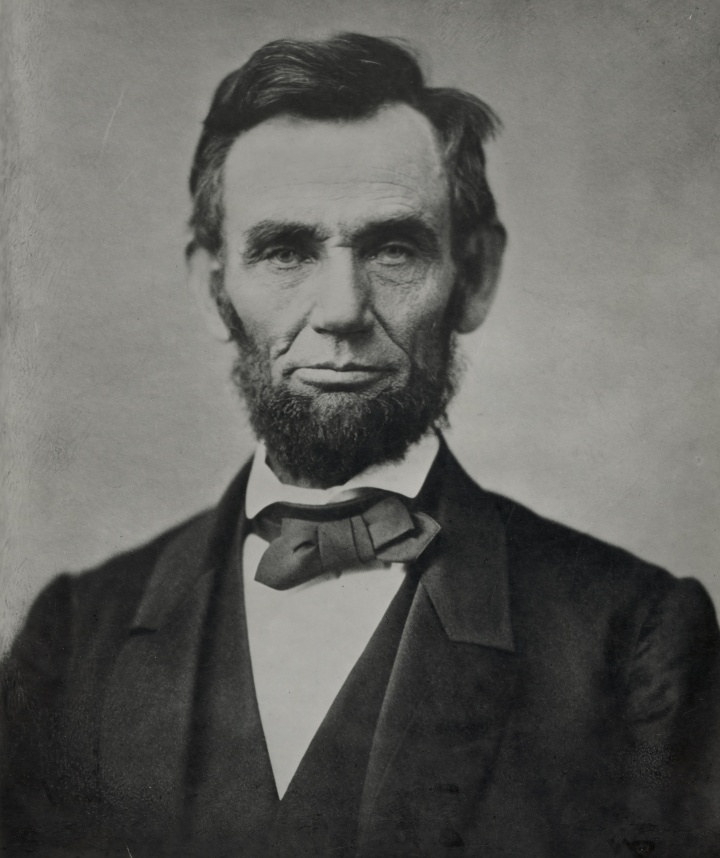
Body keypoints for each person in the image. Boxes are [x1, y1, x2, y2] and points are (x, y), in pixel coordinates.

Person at [2, 32, 719, 858]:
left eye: (393, 248)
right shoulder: (72, 639)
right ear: (212, 289)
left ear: (474, 277)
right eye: (284, 251)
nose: (342, 309)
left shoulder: (633, 640)